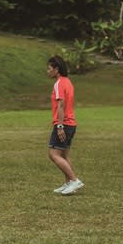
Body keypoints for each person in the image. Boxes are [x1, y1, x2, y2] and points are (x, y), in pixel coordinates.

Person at [46, 55, 84, 195]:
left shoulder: (58, 84)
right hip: (71, 124)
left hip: (64, 124)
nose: (48, 71)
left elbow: (61, 105)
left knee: (53, 154)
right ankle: (69, 183)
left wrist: (60, 126)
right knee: (64, 155)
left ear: (56, 69)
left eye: (49, 68)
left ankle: (74, 180)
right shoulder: (68, 82)